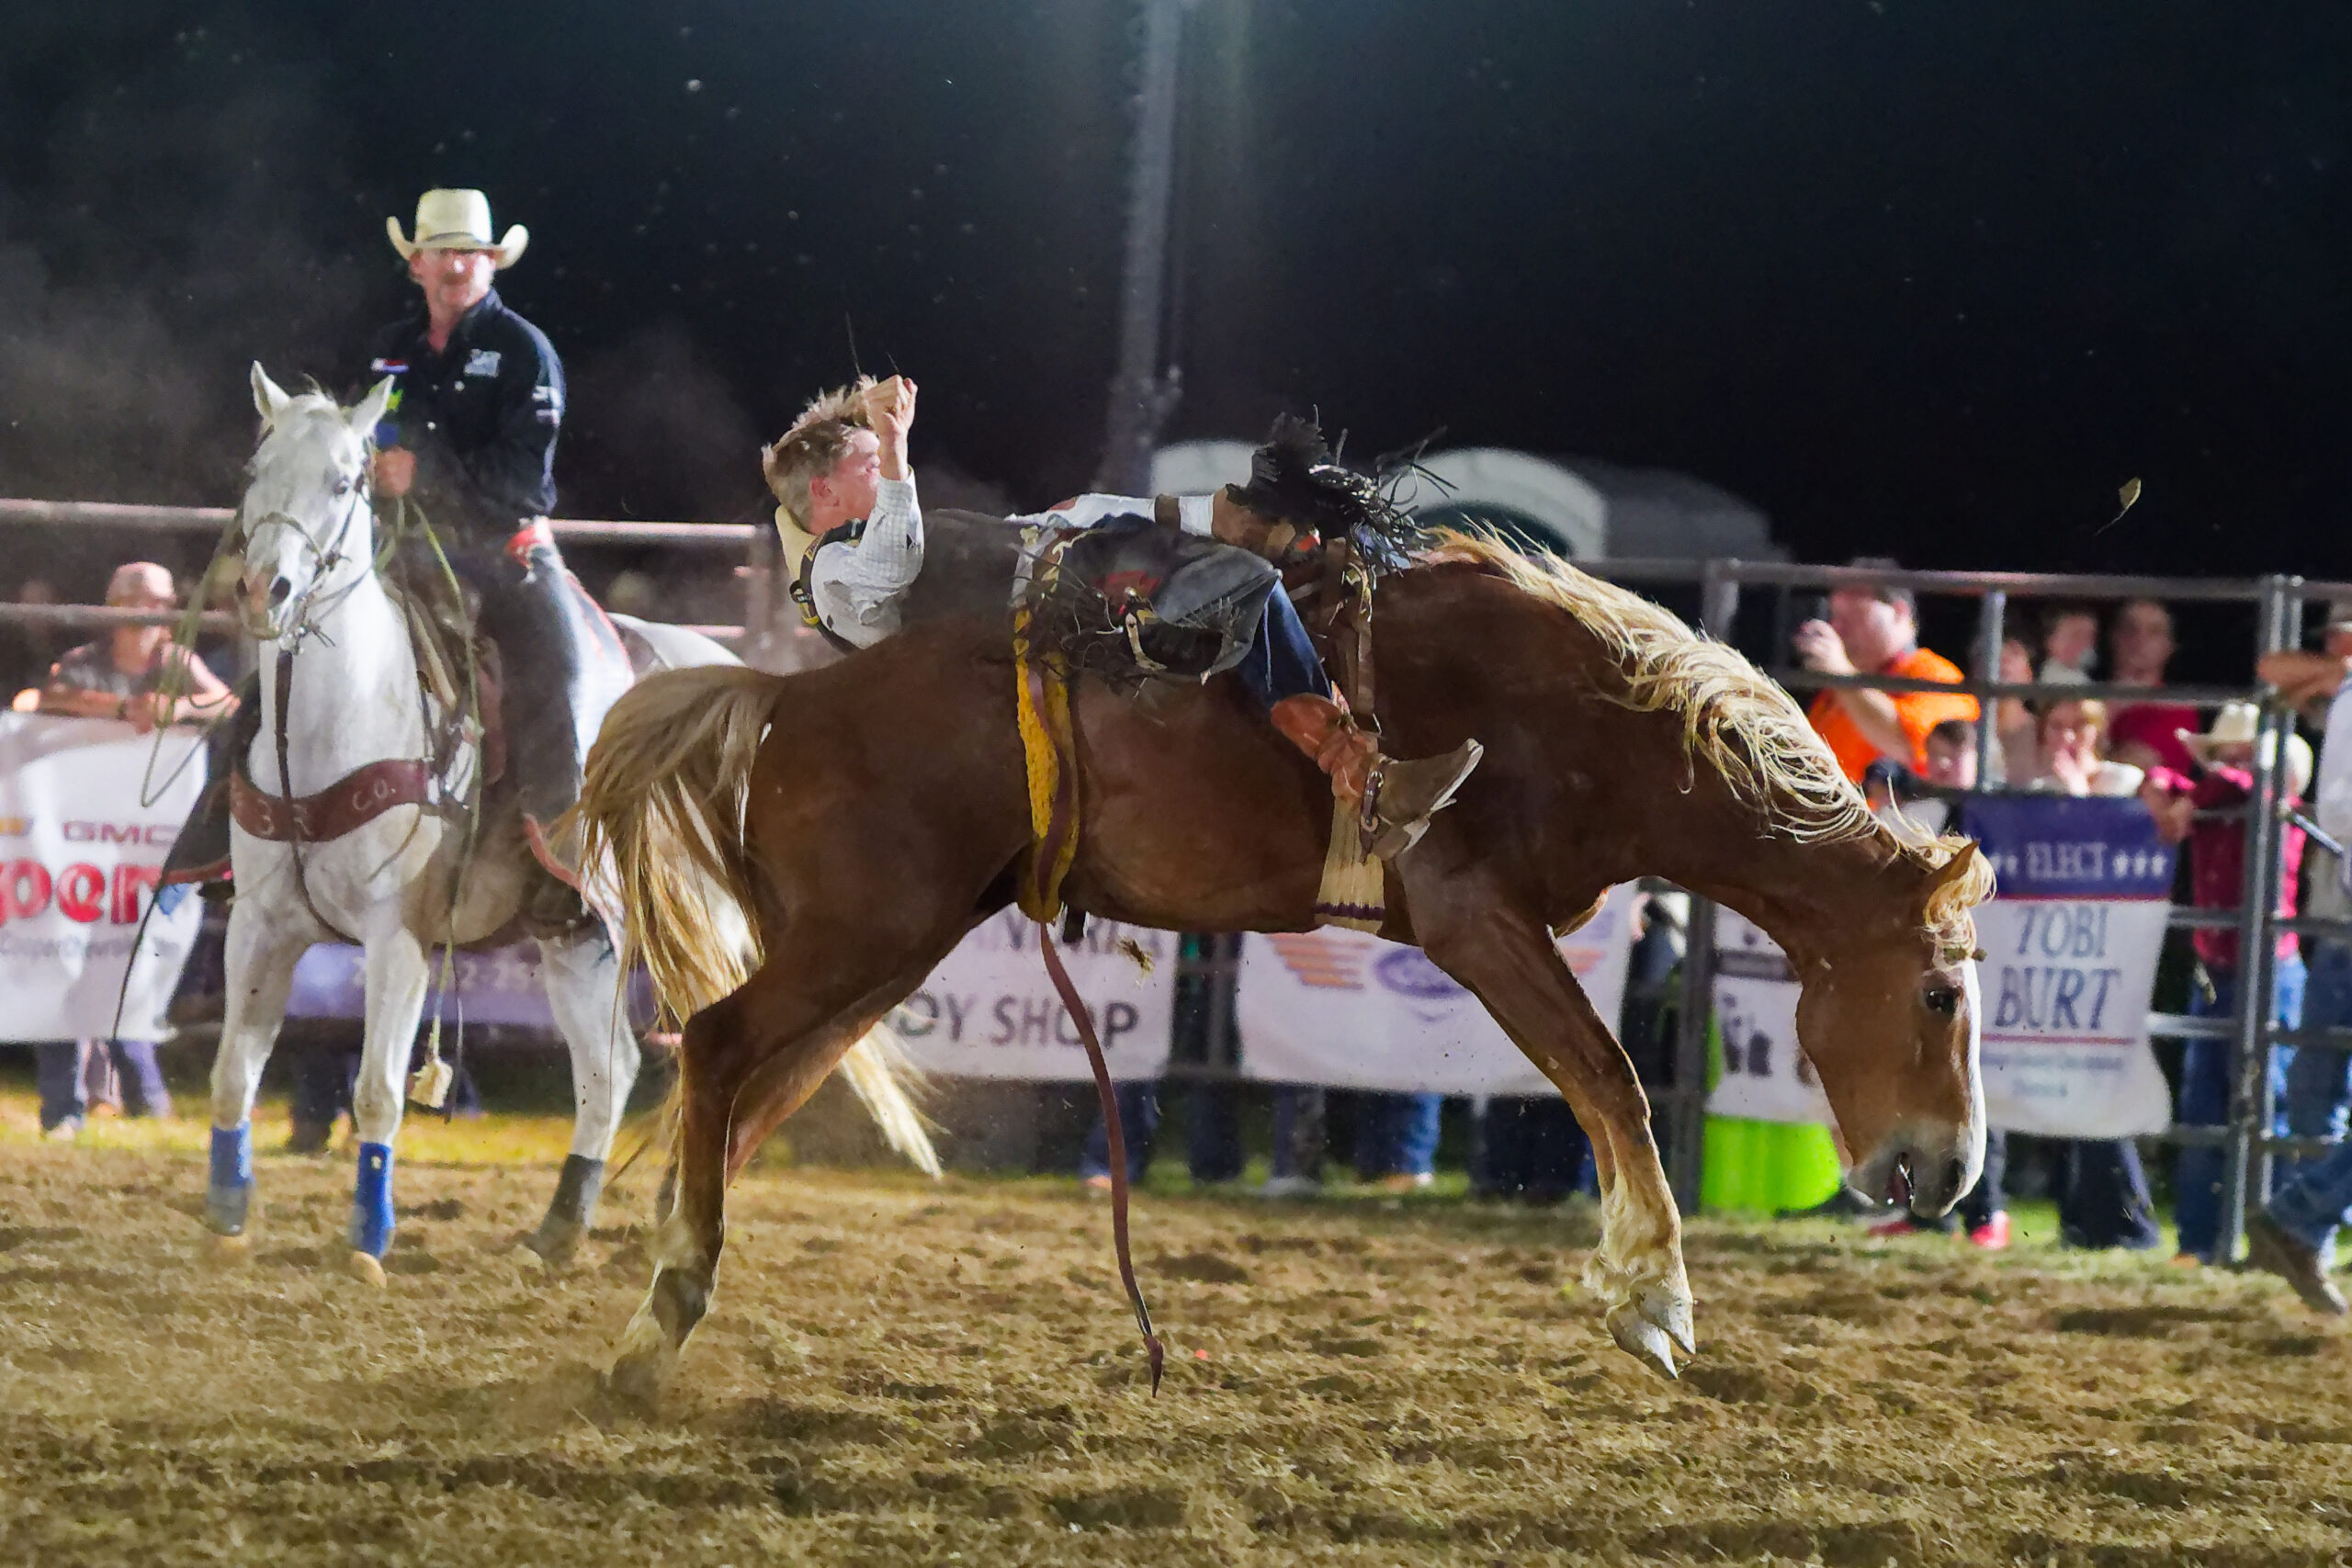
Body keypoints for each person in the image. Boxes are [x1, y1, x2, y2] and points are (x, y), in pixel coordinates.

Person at [758, 379, 1481, 861]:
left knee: (1252, 573)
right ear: (821, 491)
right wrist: (896, 453)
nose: (882, 466)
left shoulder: (897, 522)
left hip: (1076, 582)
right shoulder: (832, 570)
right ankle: (1360, 777)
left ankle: (1356, 772)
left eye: (878, 458)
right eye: (864, 461)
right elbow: (895, 561)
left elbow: (1062, 519)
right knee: (1251, 583)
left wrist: (1203, 513)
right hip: (1063, 618)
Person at [164, 188, 627, 895]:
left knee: (558, 678)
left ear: (491, 263)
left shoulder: (523, 352)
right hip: (397, 555)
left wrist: (426, 473)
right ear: (417, 264)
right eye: (442, 251)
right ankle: (231, 831)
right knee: (283, 658)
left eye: (470, 252)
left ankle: (564, 857)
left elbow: (525, 480)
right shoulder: (391, 351)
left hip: (505, 553)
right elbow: (358, 440)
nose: (456, 265)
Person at [30, 562, 232, 1136]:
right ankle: (66, 1106)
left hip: (146, 850)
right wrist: (123, 712)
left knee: (126, 969)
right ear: (114, 605)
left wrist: (180, 711)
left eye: (162, 600)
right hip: (76, 844)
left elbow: (228, 706)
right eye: (141, 599)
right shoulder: (83, 663)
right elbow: (51, 696)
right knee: (62, 963)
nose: (152, 611)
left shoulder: (176, 665)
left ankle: (141, 1098)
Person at [2142, 703, 2312, 1265]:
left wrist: (2187, 796)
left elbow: (2235, 788)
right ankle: (2201, 1240)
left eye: (2239, 754)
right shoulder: (2219, 797)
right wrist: (2176, 790)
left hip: (2265, 972)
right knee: (2207, 1103)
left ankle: (2272, 1235)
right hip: (2223, 971)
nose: (2231, 766)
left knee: (2270, 1106)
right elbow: (2167, 778)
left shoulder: (2267, 803)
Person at [1792, 560, 1979, 783]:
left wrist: (1841, 674)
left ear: (1899, 612)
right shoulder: (1836, 687)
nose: (1837, 629)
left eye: (1853, 617)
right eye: (1835, 617)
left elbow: (1912, 746)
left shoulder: (1936, 675)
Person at [2106, 598, 2199, 776]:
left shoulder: (2176, 709)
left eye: (2154, 632)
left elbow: (2126, 771)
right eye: (2130, 628)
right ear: (2113, 636)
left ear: (2169, 646)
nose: (2139, 639)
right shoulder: (2083, 695)